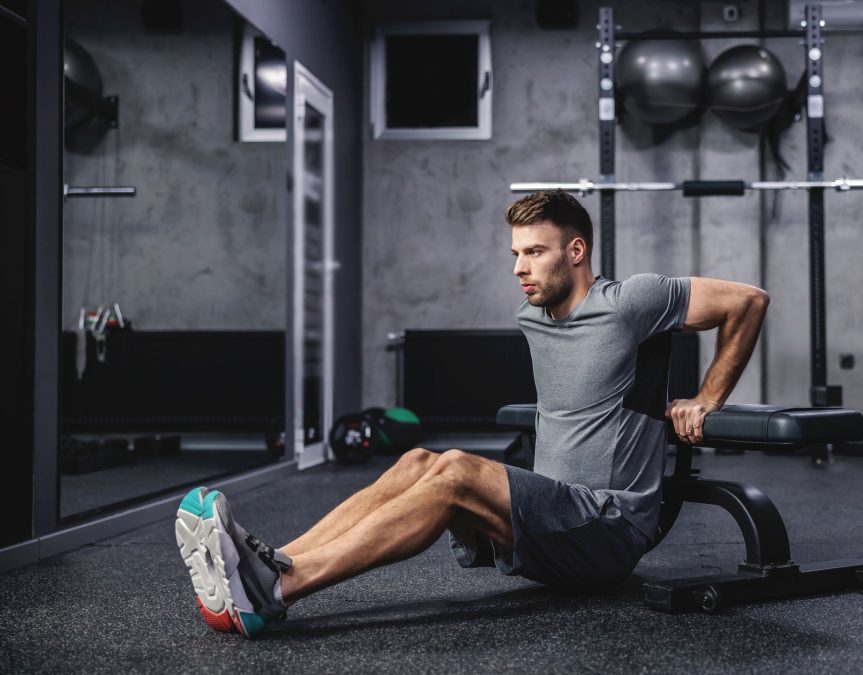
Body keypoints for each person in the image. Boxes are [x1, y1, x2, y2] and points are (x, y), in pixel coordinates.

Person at [175, 190, 769, 637]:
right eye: (515, 254)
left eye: (534, 252)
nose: (519, 268)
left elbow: (746, 301)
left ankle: (280, 588)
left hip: (607, 526)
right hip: (551, 514)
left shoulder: (632, 301)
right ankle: (274, 562)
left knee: (457, 469)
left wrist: (706, 397)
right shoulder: (531, 317)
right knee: (415, 461)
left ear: (577, 250)